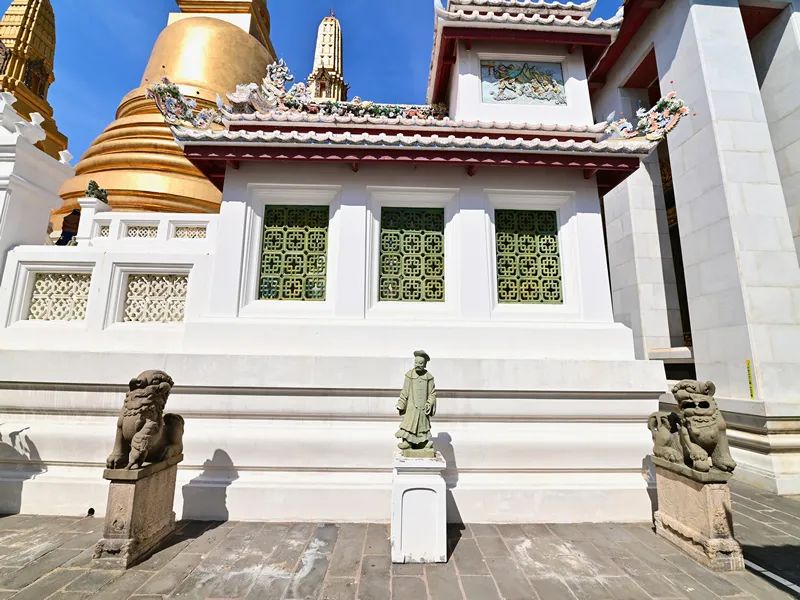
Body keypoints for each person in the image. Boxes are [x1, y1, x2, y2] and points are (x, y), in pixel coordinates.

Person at [395, 350, 437, 451]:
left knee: (422, 427)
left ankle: (423, 443)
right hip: (412, 407)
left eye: (421, 363)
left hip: (423, 408)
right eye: (416, 363)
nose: (418, 365)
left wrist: (430, 403)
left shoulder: (429, 377)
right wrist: (401, 403)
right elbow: (404, 391)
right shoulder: (409, 375)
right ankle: (408, 443)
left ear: (425, 364)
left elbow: (432, 393)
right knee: (410, 424)